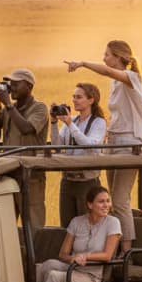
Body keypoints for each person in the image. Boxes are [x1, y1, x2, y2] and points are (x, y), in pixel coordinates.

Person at [65, 40, 142, 252]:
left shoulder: (132, 78)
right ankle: (112, 247)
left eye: (107, 54)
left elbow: (107, 72)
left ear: (119, 57)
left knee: (120, 200)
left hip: (130, 142)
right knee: (111, 199)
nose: (104, 58)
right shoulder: (116, 83)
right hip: (113, 141)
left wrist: (82, 63)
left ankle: (127, 251)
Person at [0, 68, 49, 228]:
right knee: (4, 222)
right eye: (10, 83)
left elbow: (26, 128)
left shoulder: (39, 108)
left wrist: (8, 105)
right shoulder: (9, 110)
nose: (11, 87)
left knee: (33, 223)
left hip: (30, 175)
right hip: (8, 172)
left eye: (16, 84)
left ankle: (36, 253)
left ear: (29, 86)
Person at [36, 185, 121, 282]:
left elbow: (107, 256)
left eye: (108, 201)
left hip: (91, 275)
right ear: (90, 205)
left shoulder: (113, 222)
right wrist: (72, 258)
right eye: (101, 202)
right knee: (43, 266)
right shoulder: (76, 221)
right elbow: (62, 254)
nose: (106, 205)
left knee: (54, 276)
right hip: (73, 267)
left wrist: (85, 256)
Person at [50, 83, 107, 228]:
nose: (74, 100)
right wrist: (54, 123)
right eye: (74, 97)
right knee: (67, 227)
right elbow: (57, 146)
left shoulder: (98, 122)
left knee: (88, 226)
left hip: (86, 182)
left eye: (79, 97)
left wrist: (69, 124)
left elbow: (89, 145)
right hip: (68, 180)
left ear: (91, 100)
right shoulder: (73, 121)